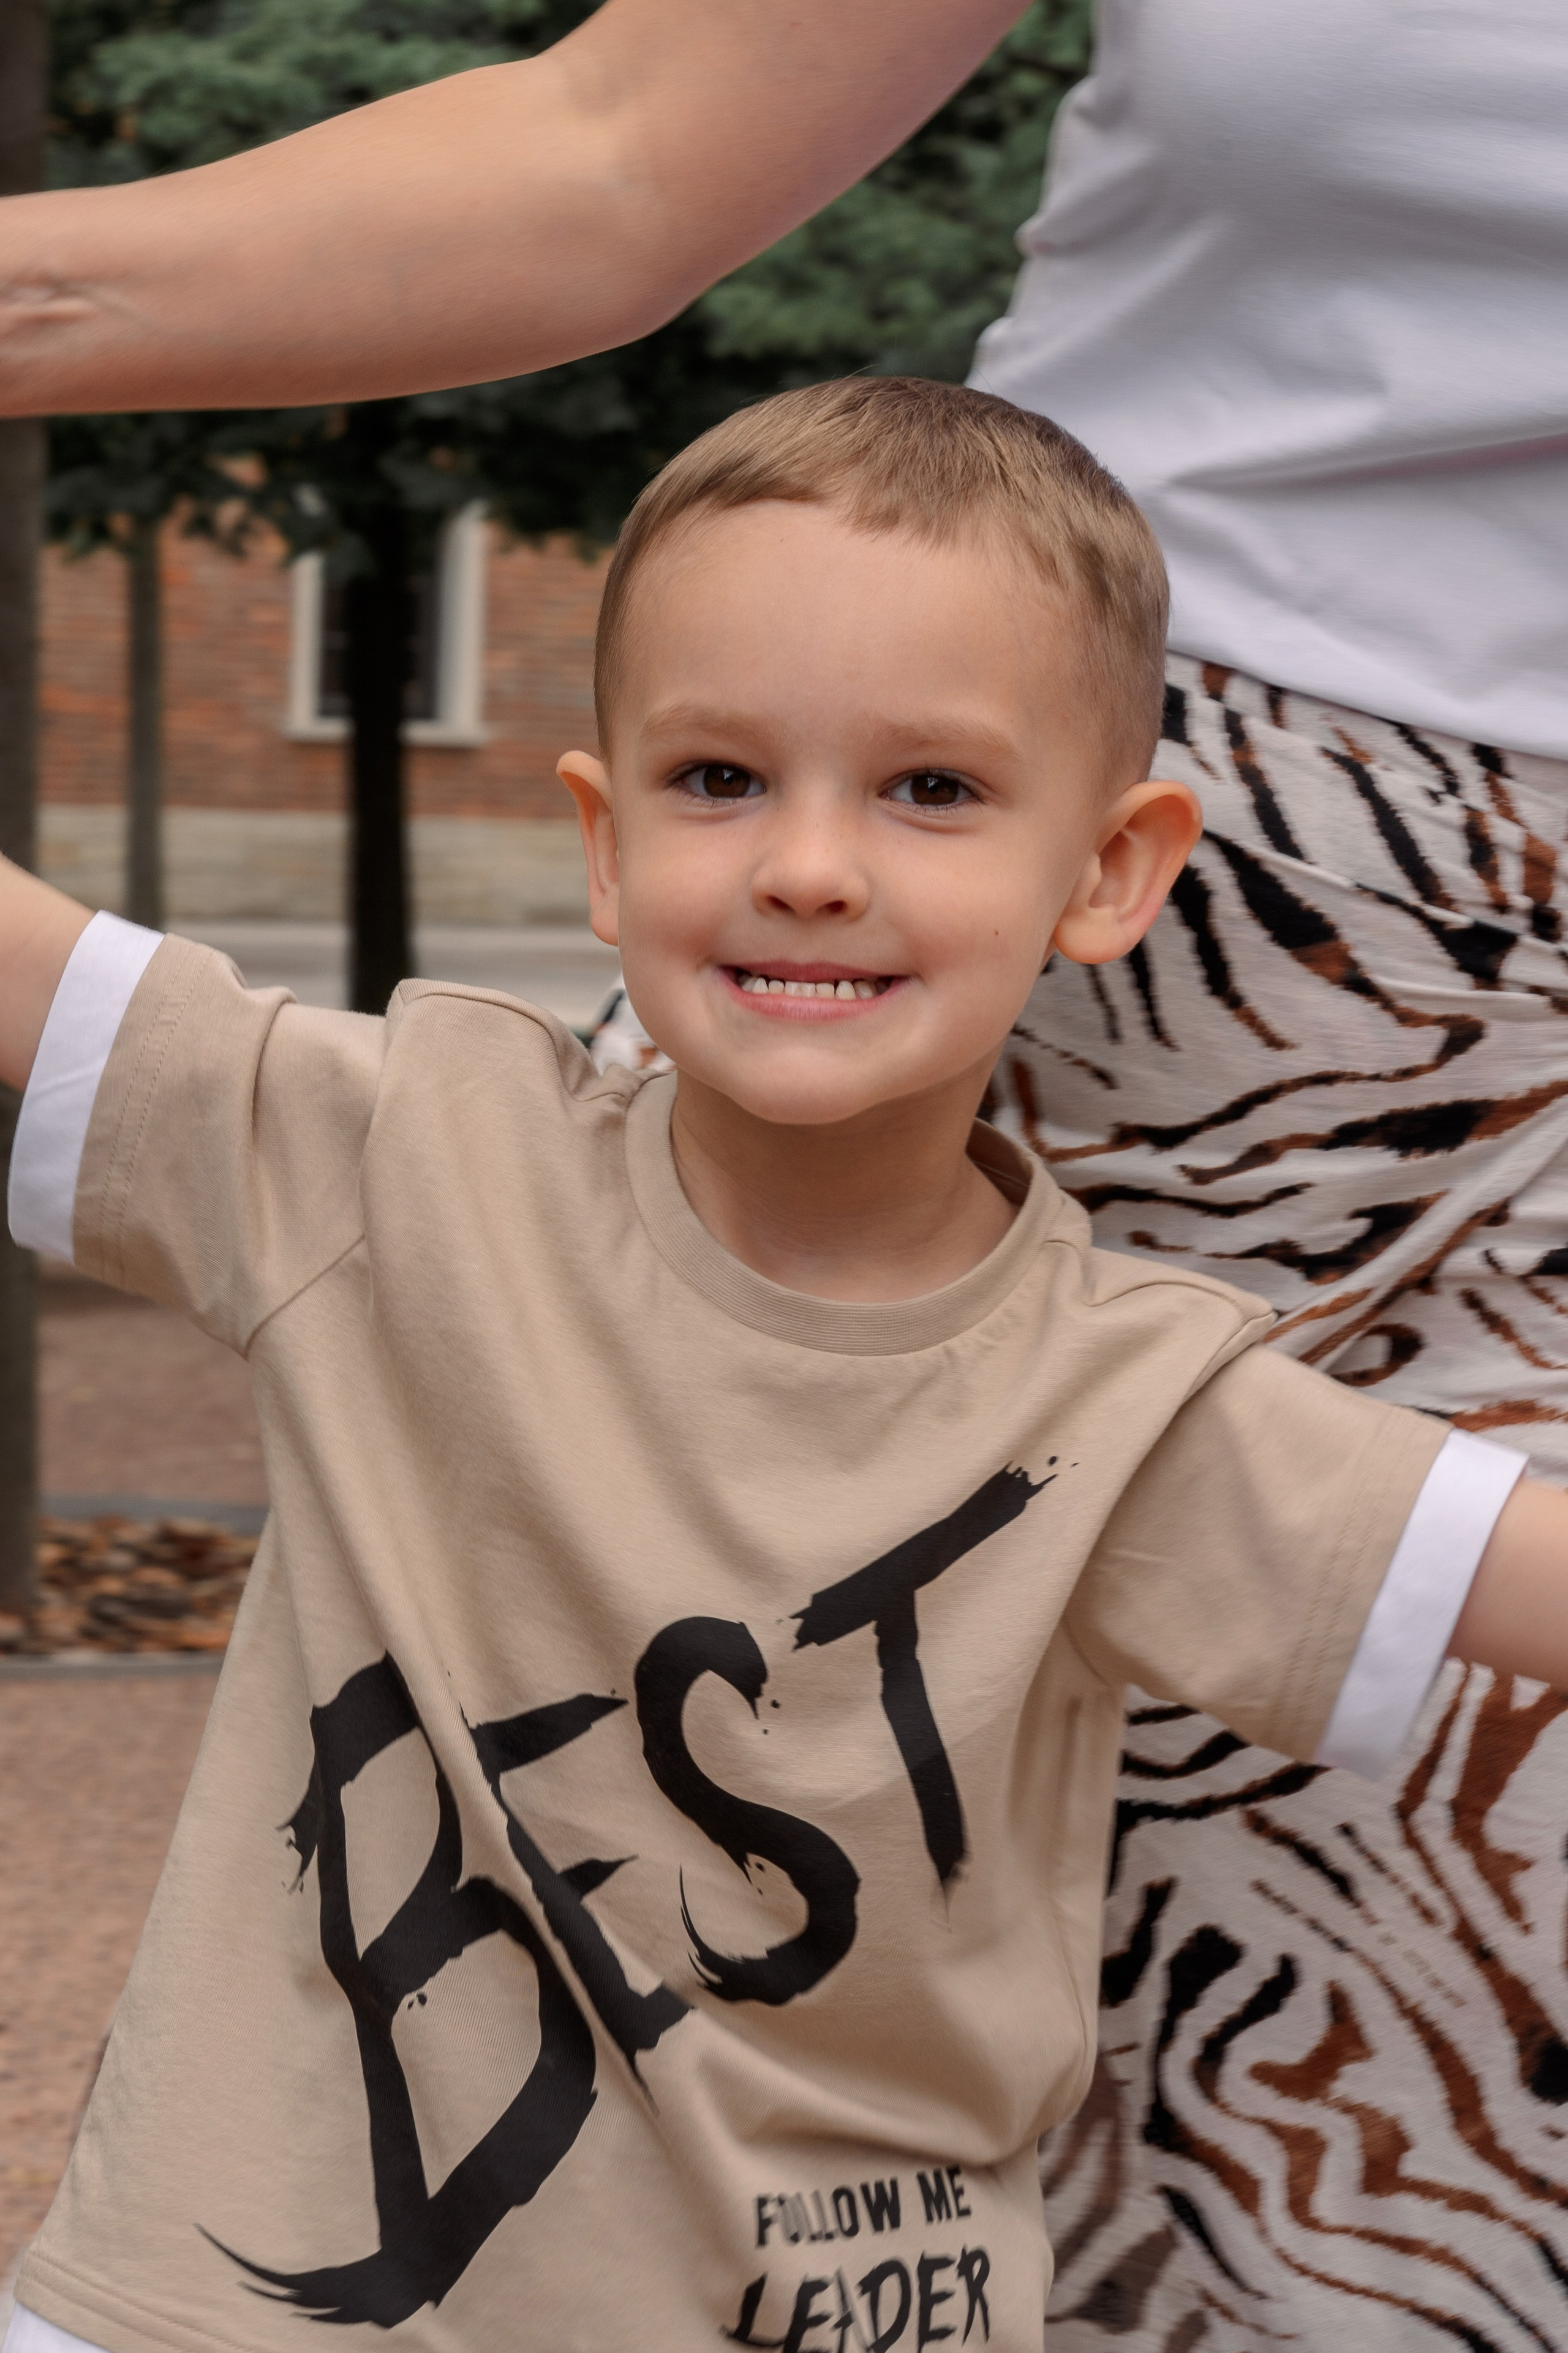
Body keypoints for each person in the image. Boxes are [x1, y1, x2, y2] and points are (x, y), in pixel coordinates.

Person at [0, 377, 1564, 2353]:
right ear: (604, 834)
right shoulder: (396, 1158)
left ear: (1111, 868)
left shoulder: (1143, 1409)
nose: (809, 864)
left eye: (931, 789)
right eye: (721, 776)